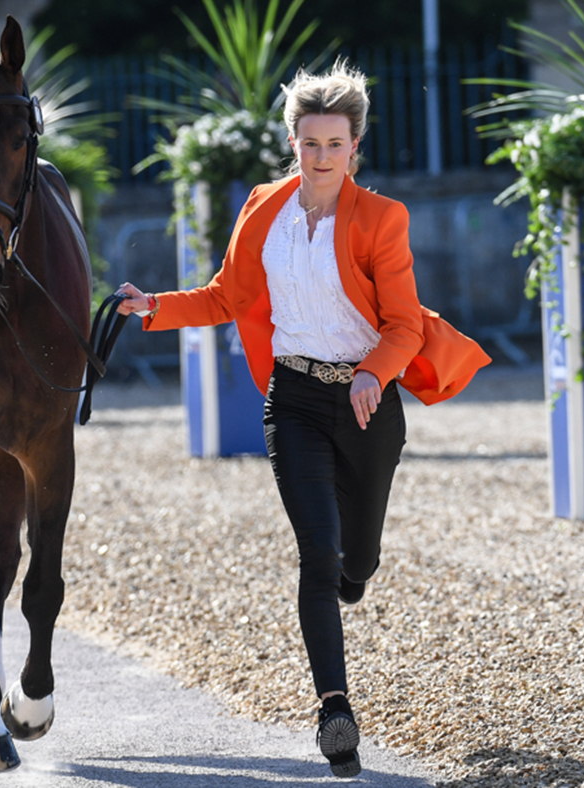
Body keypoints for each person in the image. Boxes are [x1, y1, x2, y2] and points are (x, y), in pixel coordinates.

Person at [115, 63, 490, 777]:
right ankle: (335, 712)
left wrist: (375, 374)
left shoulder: (381, 219)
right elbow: (227, 296)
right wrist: (153, 305)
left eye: (334, 144)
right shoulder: (264, 208)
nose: (320, 156)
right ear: (292, 141)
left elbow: (405, 324)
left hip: (367, 404)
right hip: (292, 400)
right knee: (317, 554)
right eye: (309, 142)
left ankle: (357, 571)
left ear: (356, 147)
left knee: (358, 562)